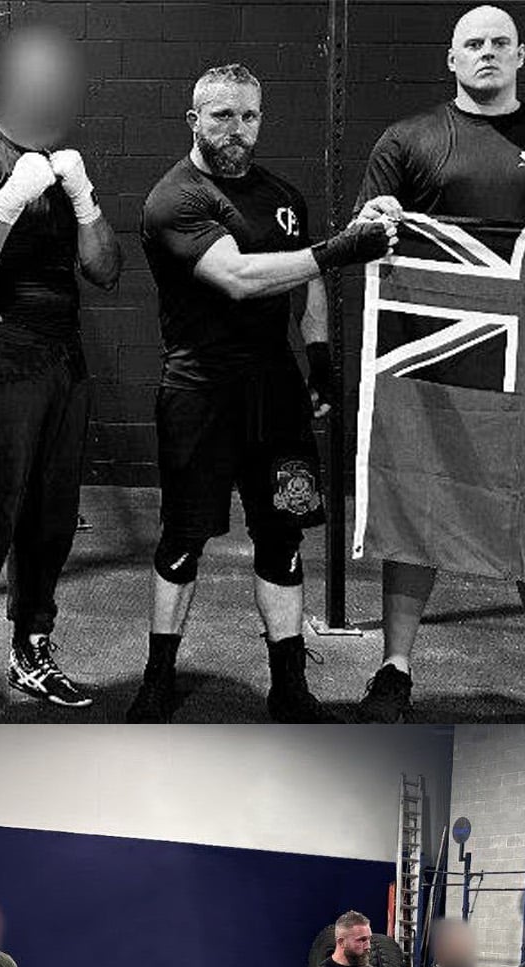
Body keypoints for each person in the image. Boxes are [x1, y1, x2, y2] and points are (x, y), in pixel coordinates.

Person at [352, 4, 525, 726]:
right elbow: (361, 236)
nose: (486, 53)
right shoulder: (407, 140)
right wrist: (375, 217)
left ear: (520, 55)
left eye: (499, 43)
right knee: (418, 502)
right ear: (451, 58)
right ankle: (393, 669)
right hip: (436, 354)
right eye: (472, 43)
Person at [132, 63, 392, 724]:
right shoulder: (175, 198)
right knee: (183, 541)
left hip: (274, 395)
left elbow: (302, 285)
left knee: (282, 537)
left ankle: (289, 687)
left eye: (249, 115)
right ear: (194, 120)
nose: (237, 130)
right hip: (200, 393)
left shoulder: (283, 196)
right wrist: (338, 250)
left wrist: (322, 360)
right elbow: (242, 277)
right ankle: (158, 677)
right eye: (222, 116)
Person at [0, 26, 122, 725]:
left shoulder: (66, 165)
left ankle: (31, 648)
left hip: (63, 357)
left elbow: (104, 269)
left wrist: (85, 197)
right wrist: (9, 200)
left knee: (51, 522)